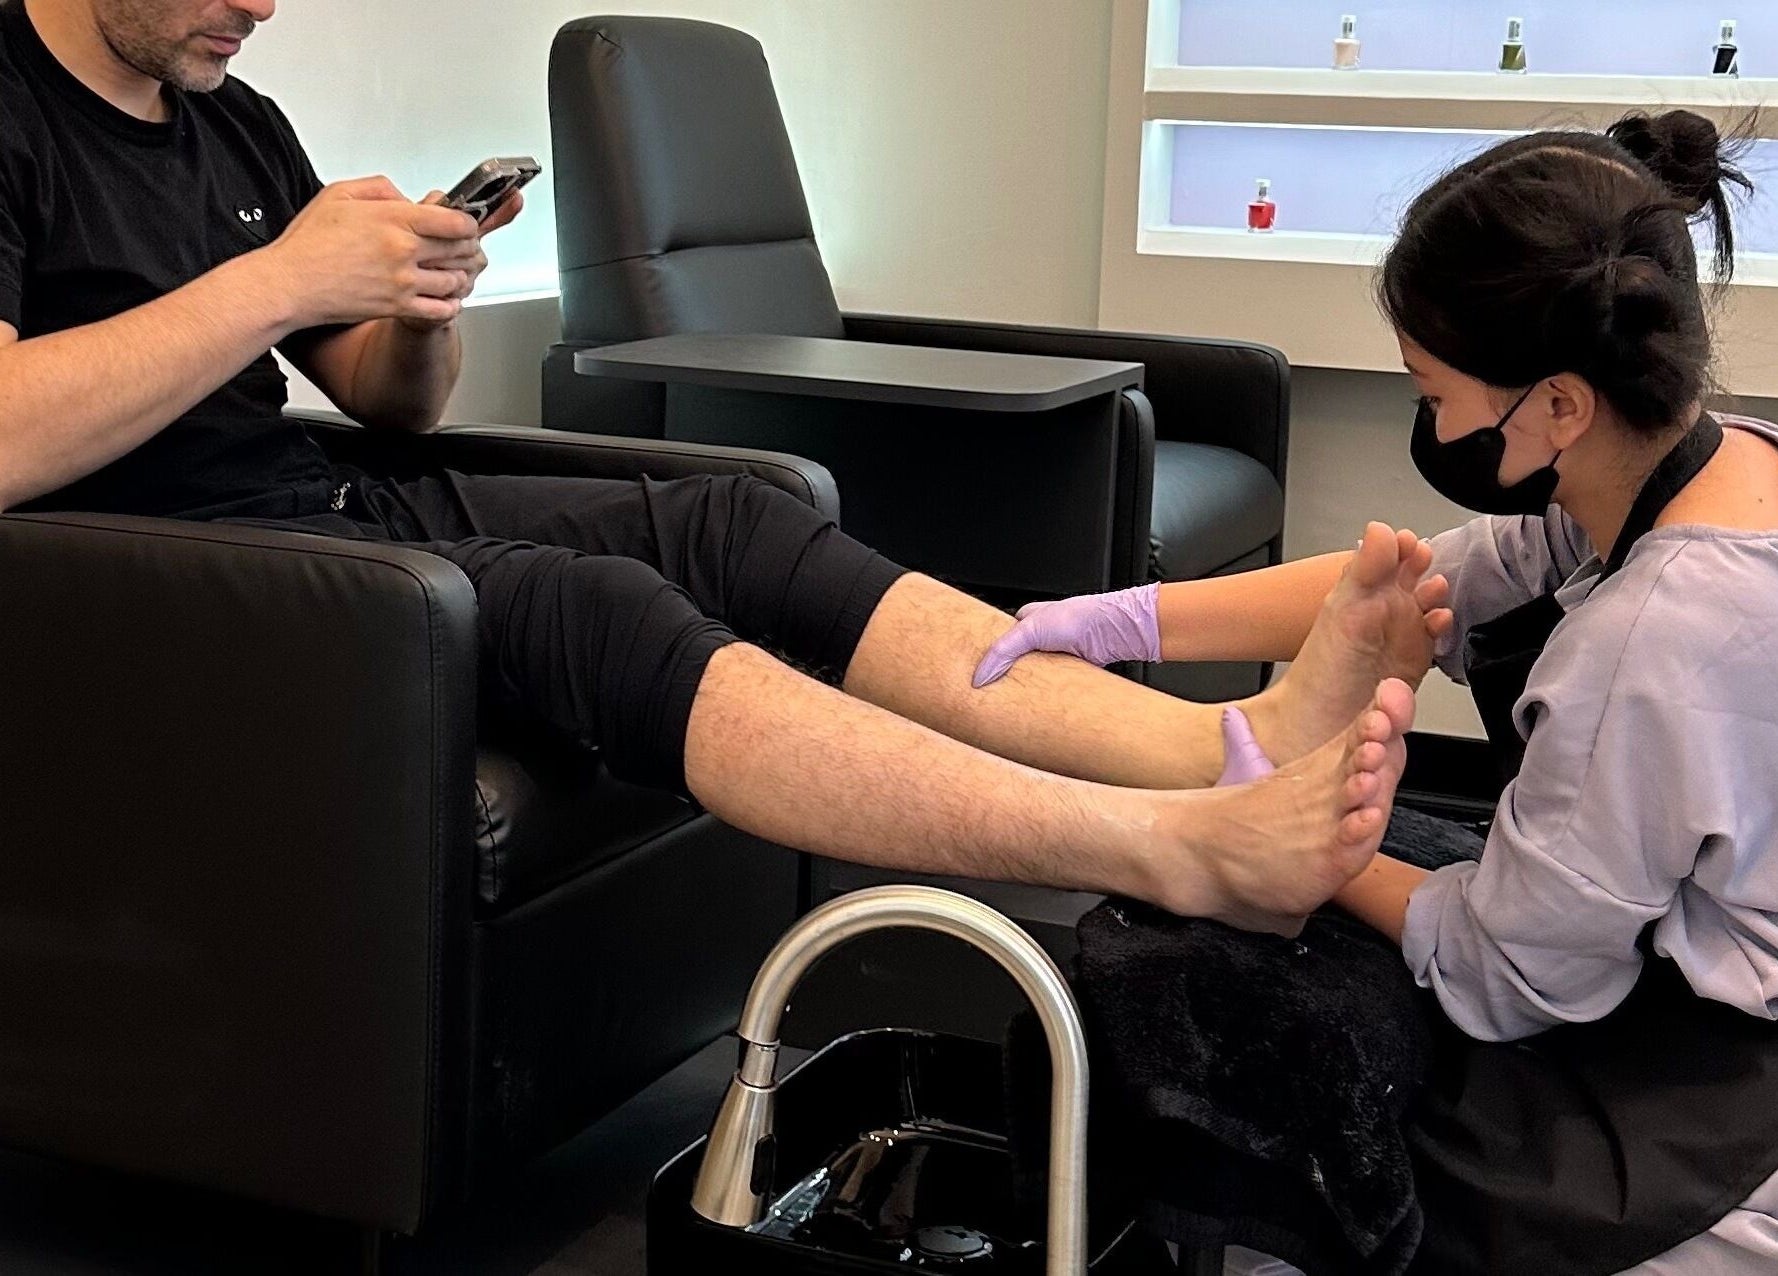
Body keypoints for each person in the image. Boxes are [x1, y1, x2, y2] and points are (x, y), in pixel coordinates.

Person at [0, 0, 1439, 937]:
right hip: (146, 578)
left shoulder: (232, 123)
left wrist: (416, 306)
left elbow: (390, 407)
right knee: (600, 607)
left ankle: (1218, 746)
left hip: (314, 500)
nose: (263, 7)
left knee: (732, 516)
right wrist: (272, 280)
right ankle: (1169, 848)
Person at [982, 109, 1778, 1273]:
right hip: (1637, 958)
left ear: (1557, 404)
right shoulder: (1710, 462)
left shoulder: (1650, 646)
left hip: (1700, 1105)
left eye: (1434, 390)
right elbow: (1410, 578)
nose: (1433, 426)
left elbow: (1506, 975)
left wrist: (1312, 846)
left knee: (1214, 1026)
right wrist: (1113, 620)